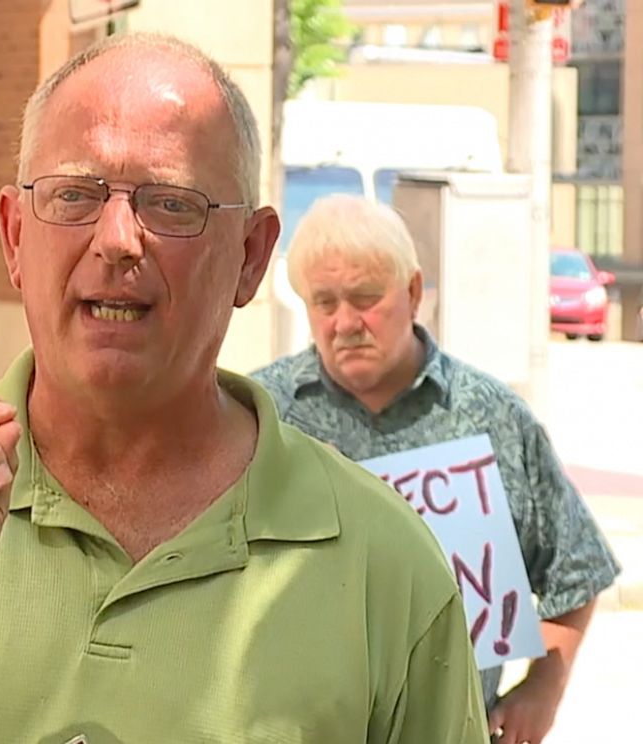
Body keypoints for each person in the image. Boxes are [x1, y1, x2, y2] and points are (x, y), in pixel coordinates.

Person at [0, 35, 489, 743]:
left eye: (171, 204)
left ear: (251, 258)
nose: (119, 240)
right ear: (16, 236)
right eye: (74, 195)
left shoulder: (384, 563)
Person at [253, 194, 620, 744]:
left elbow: (578, 569)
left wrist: (543, 689)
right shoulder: (262, 414)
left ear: (414, 293)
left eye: (365, 298)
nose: (345, 322)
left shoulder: (492, 417)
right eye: (324, 302)